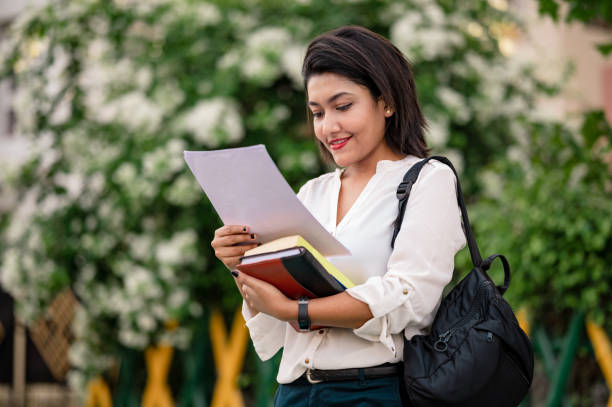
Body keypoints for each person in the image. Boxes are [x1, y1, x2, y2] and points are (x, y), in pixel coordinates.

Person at [210, 25, 466, 406]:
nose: (329, 127)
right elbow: (272, 324)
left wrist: (296, 311)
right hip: (294, 393)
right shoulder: (313, 193)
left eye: (343, 107)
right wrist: (241, 263)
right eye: (317, 113)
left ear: (387, 102)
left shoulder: (428, 180)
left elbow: (408, 298)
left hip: (371, 392)